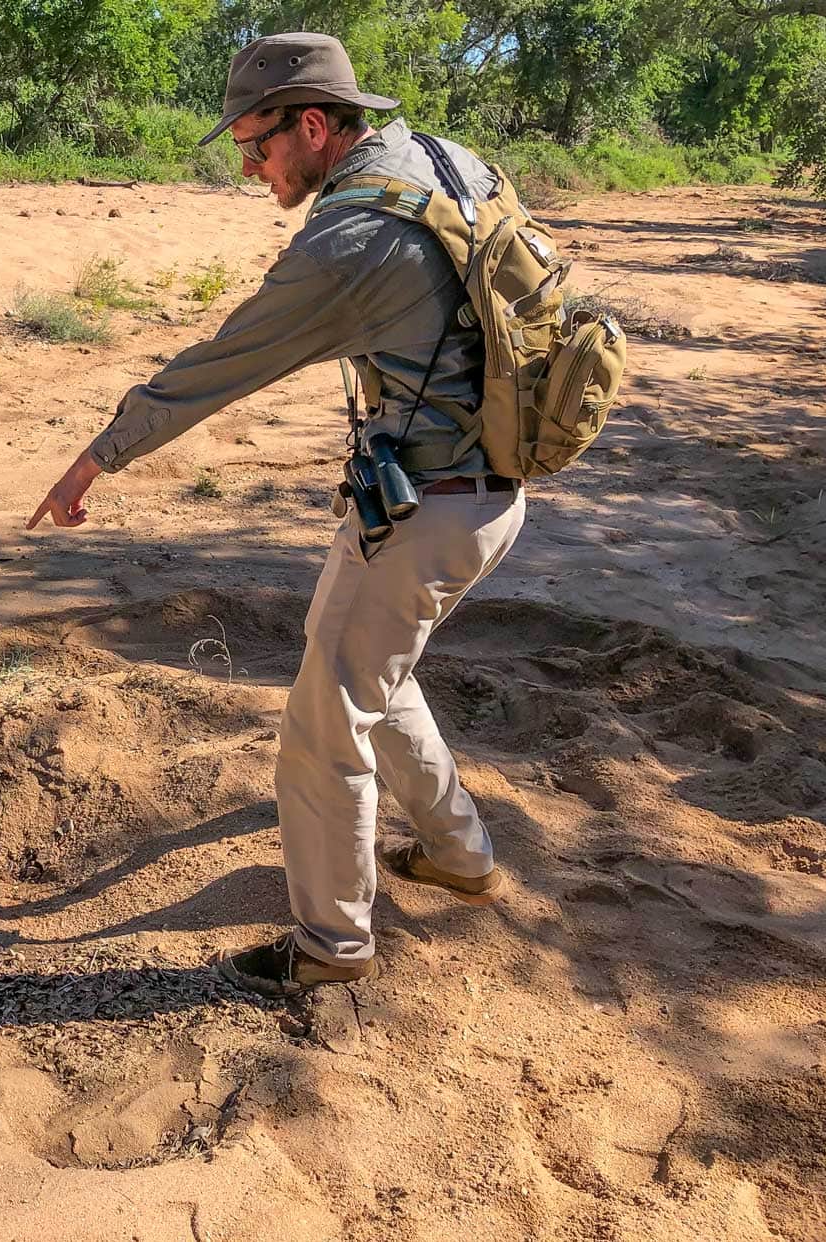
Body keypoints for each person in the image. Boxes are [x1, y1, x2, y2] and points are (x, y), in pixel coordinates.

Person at [26, 32, 525, 996]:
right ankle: (460, 856)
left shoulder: (351, 239)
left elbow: (224, 362)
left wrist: (94, 460)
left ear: (310, 124)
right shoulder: (438, 161)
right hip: (489, 493)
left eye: (254, 144)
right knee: (360, 665)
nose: (249, 166)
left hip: (429, 511)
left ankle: (330, 950)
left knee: (320, 726)